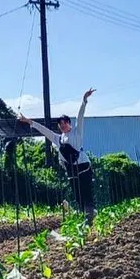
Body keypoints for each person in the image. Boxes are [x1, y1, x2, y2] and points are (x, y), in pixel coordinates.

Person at [18, 88, 96, 223]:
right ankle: (86, 214)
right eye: (60, 124)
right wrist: (29, 121)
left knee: (86, 191)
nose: (62, 125)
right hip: (72, 169)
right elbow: (44, 130)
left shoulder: (77, 132)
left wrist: (84, 100)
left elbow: (80, 116)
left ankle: (90, 214)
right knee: (77, 194)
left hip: (83, 166)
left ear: (69, 123)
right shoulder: (58, 138)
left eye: (64, 123)